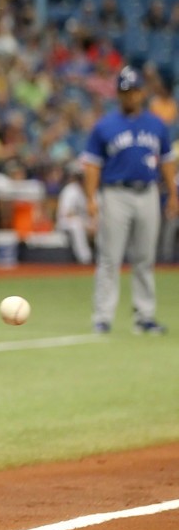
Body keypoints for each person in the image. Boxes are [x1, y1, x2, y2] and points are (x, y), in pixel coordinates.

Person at [81, 65, 179, 334]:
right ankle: (102, 317)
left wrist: (172, 194)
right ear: (119, 94)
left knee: (145, 258)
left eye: (134, 90)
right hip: (115, 194)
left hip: (148, 192)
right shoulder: (105, 126)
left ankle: (144, 316)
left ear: (141, 92)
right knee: (109, 257)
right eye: (125, 91)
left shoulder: (156, 125)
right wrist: (91, 198)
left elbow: (168, 162)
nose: (130, 96)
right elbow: (92, 165)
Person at [55, 161, 94, 265]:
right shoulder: (71, 190)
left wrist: (94, 223)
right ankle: (85, 259)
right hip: (66, 222)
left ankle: (103, 258)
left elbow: (97, 211)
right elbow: (67, 213)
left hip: (85, 221)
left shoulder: (92, 190)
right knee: (77, 224)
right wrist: (86, 224)